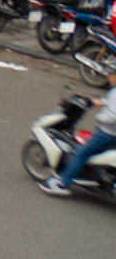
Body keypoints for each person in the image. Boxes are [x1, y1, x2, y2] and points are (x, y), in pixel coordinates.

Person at [42, 66, 116, 197]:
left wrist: (98, 117)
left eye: (110, 74)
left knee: (80, 153)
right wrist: (97, 102)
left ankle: (62, 183)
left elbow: (113, 116)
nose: (107, 77)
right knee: (98, 152)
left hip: (107, 133)